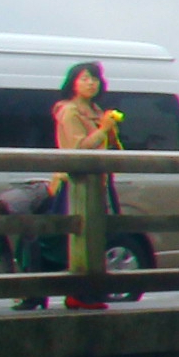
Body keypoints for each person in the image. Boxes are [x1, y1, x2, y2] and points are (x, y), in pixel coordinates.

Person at [47, 61, 125, 309]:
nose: (91, 83)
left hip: (97, 183)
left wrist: (110, 133)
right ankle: (78, 293)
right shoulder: (69, 111)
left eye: (95, 79)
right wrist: (103, 130)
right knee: (79, 239)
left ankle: (91, 292)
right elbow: (77, 148)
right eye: (85, 78)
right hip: (75, 185)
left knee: (97, 238)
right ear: (73, 83)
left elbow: (109, 148)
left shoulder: (95, 110)